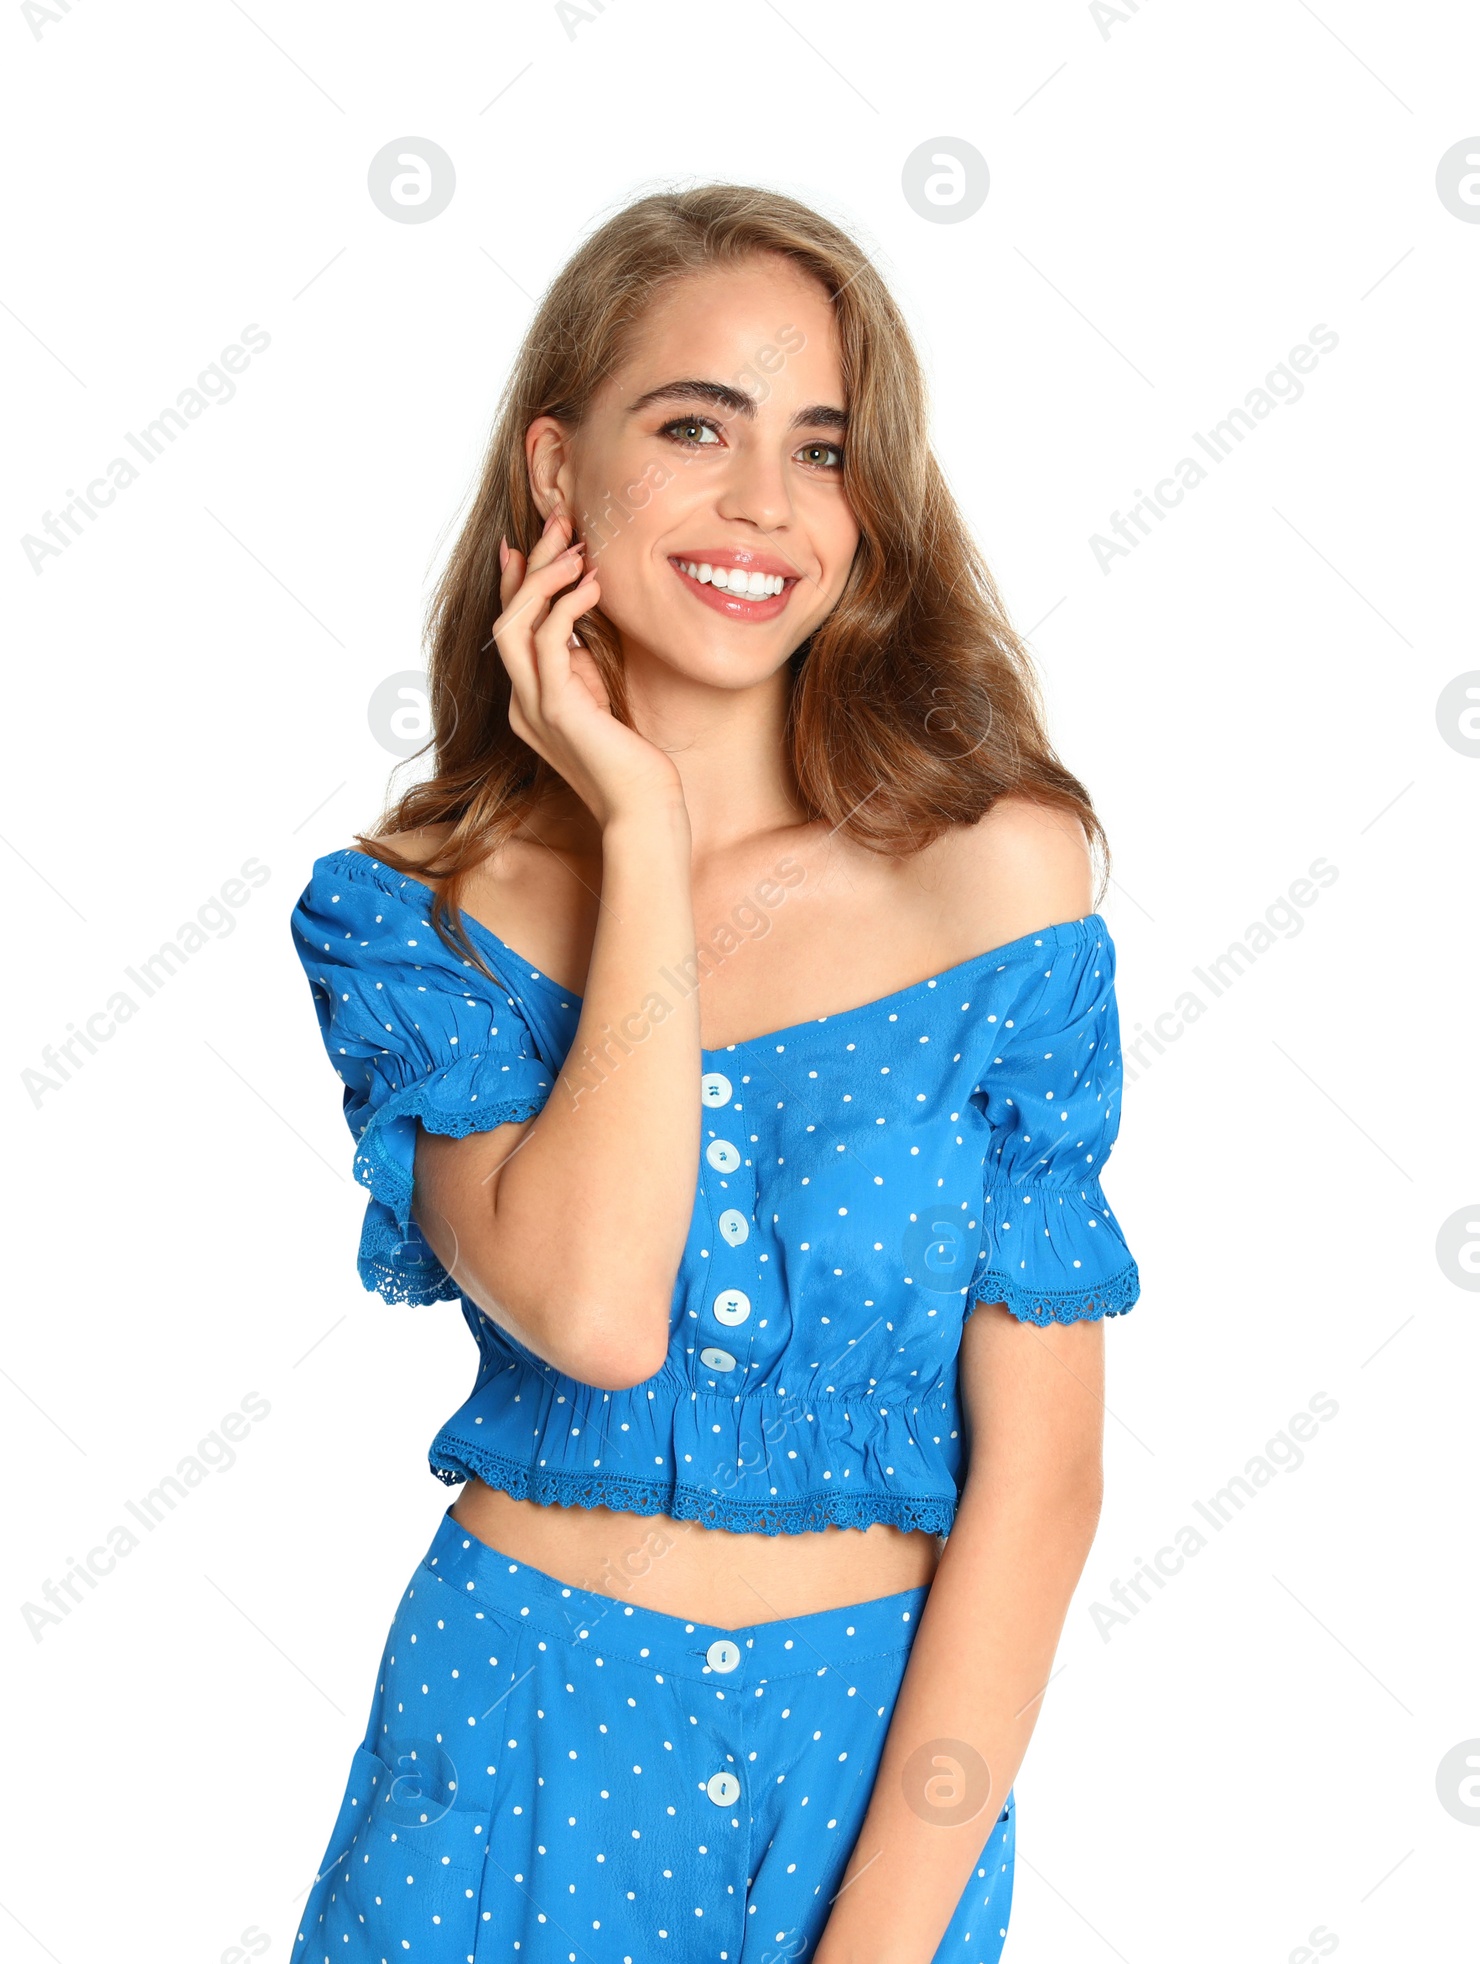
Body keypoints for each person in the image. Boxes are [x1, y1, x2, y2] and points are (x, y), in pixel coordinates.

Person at [288, 182, 1141, 1964]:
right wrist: (644, 834)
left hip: (870, 1780)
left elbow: (1043, 1480)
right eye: (697, 426)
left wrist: (885, 1940)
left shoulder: (1002, 875)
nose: (767, 505)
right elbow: (596, 1316)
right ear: (555, 471)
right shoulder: (417, 921)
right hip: (508, 1751)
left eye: (823, 449)